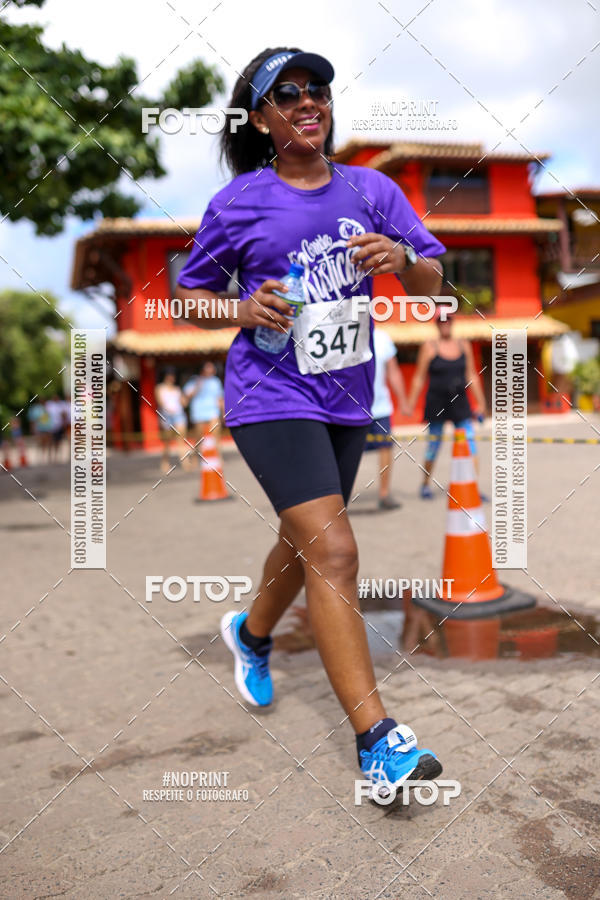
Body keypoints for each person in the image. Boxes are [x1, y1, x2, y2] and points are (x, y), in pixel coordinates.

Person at [176, 47, 447, 794]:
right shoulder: (239, 202)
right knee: (335, 552)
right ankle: (377, 743)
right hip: (268, 391)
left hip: (345, 398)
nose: (308, 102)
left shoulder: (372, 188)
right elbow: (187, 297)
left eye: (318, 90)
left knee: (305, 546)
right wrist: (237, 307)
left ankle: (251, 633)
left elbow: (432, 277)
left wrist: (399, 256)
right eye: (287, 93)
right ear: (260, 118)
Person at [406, 306, 487, 499]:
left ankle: (473, 487)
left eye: (448, 320)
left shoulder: (462, 344)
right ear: (436, 324)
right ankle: (425, 484)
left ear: (453, 322)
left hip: (460, 402)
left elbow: (471, 374)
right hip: (437, 403)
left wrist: (482, 402)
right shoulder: (429, 346)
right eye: (441, 320)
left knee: (469, 444)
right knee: (434, 445)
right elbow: (418, 377)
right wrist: (410, 403)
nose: (445, 324)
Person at [363, 327, 408, 510]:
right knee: (345, 451)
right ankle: (338, 498)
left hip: (380, 407)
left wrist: (403, 400)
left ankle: (384, 494)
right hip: (353, 408)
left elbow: (393, 371)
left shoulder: (382, 338)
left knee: (386, 447)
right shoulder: (348, 334)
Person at [183, 361, 224, 464]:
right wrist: (197, 385)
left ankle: (218, 456)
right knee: (198, 437)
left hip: (212, 410)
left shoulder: (216, 381)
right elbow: (186, 397)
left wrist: (223, 413)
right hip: (198, 411)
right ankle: (196, 457)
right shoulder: (194, 381)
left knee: (216, 433)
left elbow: (220, 398)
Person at [154, 368, 191, 474]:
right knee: (167, 442)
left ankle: (185, 463)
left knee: (181, 440)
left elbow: (183, 403)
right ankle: (165, 462)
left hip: (178, 415)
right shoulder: (160, 388)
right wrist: (168, 409)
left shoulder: (177, 389)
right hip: (166, 416)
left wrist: (186, 398)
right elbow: (160, 402)